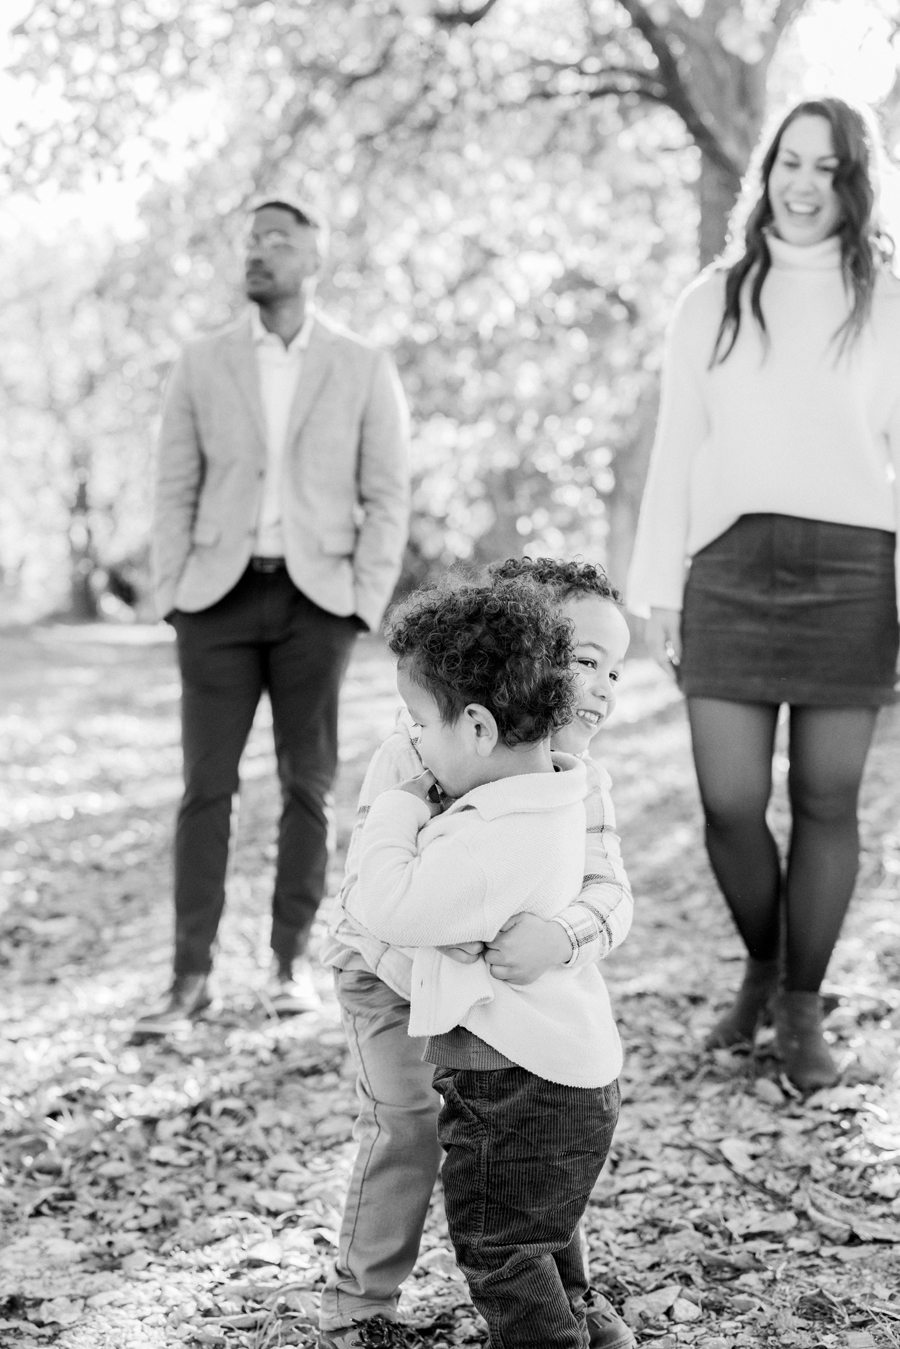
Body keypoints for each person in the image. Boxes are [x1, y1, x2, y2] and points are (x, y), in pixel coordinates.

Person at [627, 97, 900, 1091]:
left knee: (827, 802)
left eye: (828, 169)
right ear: (767, 170)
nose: (803, 183)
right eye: (791, 161)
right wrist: (658, 589)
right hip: (730, 573)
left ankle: (796, 1010)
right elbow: (677, 455)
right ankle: (761, 960)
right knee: (730, 802)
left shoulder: (888, 297)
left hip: (855, 574)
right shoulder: (712, 299)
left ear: (852, 183)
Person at [319, 560, 634, 1349]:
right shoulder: (420, 749)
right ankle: (362, 1302)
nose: (599, 686)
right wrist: (437, 932)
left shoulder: (577, 778)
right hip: (390, 971)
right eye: (583, 658)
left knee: (525, 1150)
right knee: (409, 1126)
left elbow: (610, 890)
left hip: (496, 1003)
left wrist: (561, 934)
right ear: (528, 659)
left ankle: (566, 1300)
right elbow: (372, 892)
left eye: (614, 669)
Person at [136, 199, 410, 1037]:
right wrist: (173, 591)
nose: (260, 252)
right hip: (213, 601)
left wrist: (364, 599)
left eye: (280, 240)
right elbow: (172, 486)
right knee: (203, 791)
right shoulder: (202, 360)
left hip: (316, 603)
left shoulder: (362, 365)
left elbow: (386, 492)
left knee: (308, 787)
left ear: (314, 261)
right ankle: (189, 976)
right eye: (252, 241)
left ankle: (290, 965)